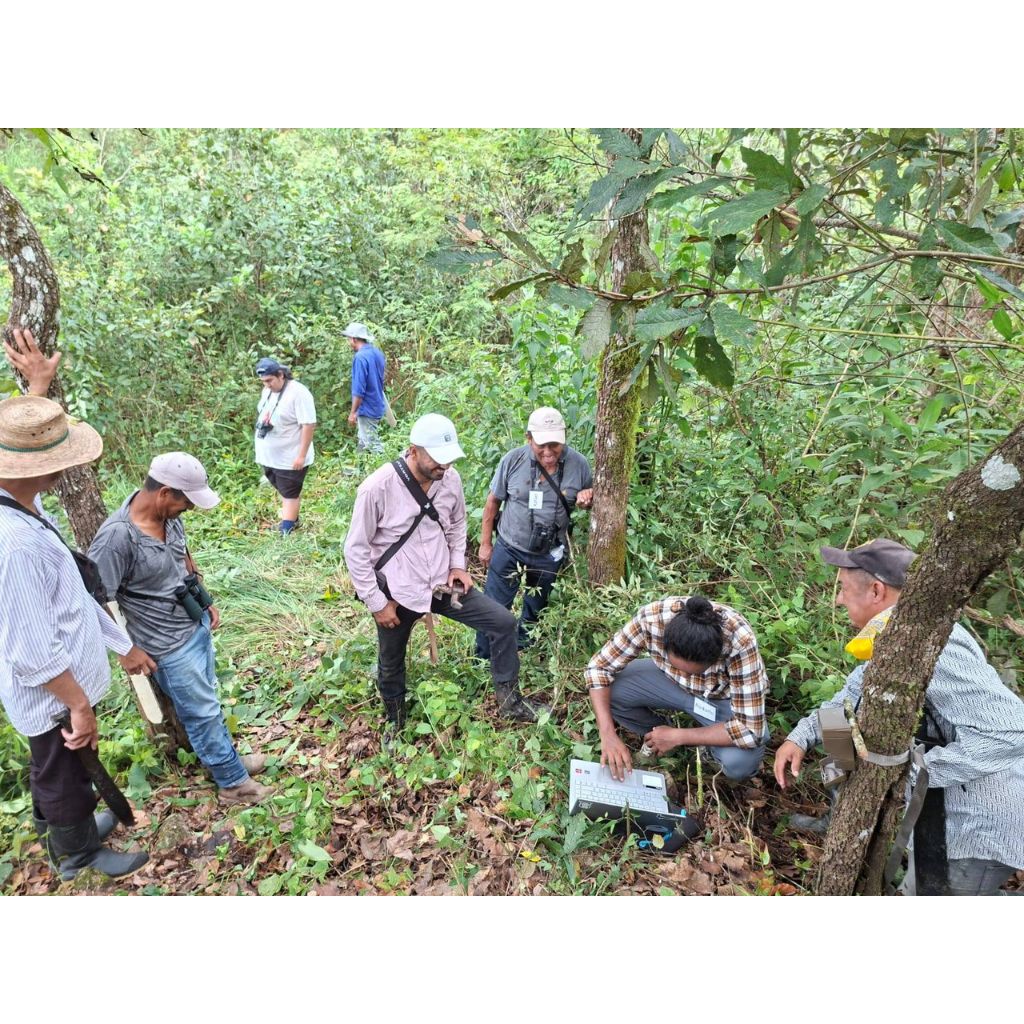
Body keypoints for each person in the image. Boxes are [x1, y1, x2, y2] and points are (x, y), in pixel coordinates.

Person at [774, 538, 1024, 896]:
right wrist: (798, 737)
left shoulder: (935, 644)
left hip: (978, 824)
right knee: (839, 727)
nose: (839, 599)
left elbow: (1011, 733)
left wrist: (907, 773)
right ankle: (839, 816)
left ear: (876, 591)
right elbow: (848, 700)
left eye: (843, 589)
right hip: (939, 811)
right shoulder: (896, 636)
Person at [0, 388, 149, 881]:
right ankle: (78, 855)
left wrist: (120, 644)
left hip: (58, 688)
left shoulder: (21, 504)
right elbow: (32, 649)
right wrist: (78, 705)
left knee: (57, 769)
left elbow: (70, 604)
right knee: (61, 773)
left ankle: (72, 835)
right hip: (52, 695)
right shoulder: (15, 543)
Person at [88, 453, 272, 805]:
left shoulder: (168, 517)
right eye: (185, 501)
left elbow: (183, 556)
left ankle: (227, 762)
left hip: (194, 624)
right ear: (165, 492)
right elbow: (94, 602)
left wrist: (204, 598)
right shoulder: (116, 540)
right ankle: (233, 784)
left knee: (209, 703)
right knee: (201, 712)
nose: (187, 508)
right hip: (167, 646)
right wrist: (126, 650)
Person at [344, 413, 544, 736]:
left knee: (503, 623)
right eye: (438, 459)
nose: (445, 467)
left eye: (449, 459)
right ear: (413, 450)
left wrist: (457, 566)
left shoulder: (450, 480)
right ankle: (395, 722)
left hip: (441, 583)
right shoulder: (377, 488)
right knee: (391, 660)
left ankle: (510, 703)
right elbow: (355, 549)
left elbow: (457, 525)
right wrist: (376, 602)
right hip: (398, 591)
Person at [585, 596, 770, 782]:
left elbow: (750, 731)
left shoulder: (740, 642)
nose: (688, 677)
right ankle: (657, 733)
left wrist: (681, 736)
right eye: (679, 667)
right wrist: (607, 733)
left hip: (720, 698)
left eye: (695, 672)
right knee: (612, 691)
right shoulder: (651, 619)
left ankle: (688, 742)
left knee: (740, 762)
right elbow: (598, 668)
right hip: (669, 684)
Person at [475, 407, 593, 660]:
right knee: (494, 607)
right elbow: (492, 502)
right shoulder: (513, 460)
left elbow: (592, 496)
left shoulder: (578, 465)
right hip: (509, 545)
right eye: (542, 445)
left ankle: (523, 651)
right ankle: (483, 659)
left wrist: (588, 497)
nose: (548, 452)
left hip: (548, 552)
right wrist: (486, 543)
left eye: (555, 445)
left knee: (536, 606)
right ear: (529, 438)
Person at [254, 356, 316, 534]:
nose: (267, 385)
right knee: (283, 489)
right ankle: (292, 521)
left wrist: (301, 456)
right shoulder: (268, 391)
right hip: (270, 456)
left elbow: (308, 424)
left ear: (281, 375)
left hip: (291, 456)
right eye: (263, 381)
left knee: (290, 494)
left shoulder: (299, 393)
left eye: (269, 380)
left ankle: (286, 532)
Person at [345, 322, 386, 456]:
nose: (348, 342)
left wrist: (353, 412)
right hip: (377, 404)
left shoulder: (360, 357)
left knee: (373, 444)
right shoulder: (377, 353)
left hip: (367, 408)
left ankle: (390, 469)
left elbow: (358, 389)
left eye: (348, 339)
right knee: (364, 439)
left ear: (354, 339)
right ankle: (358, 469)